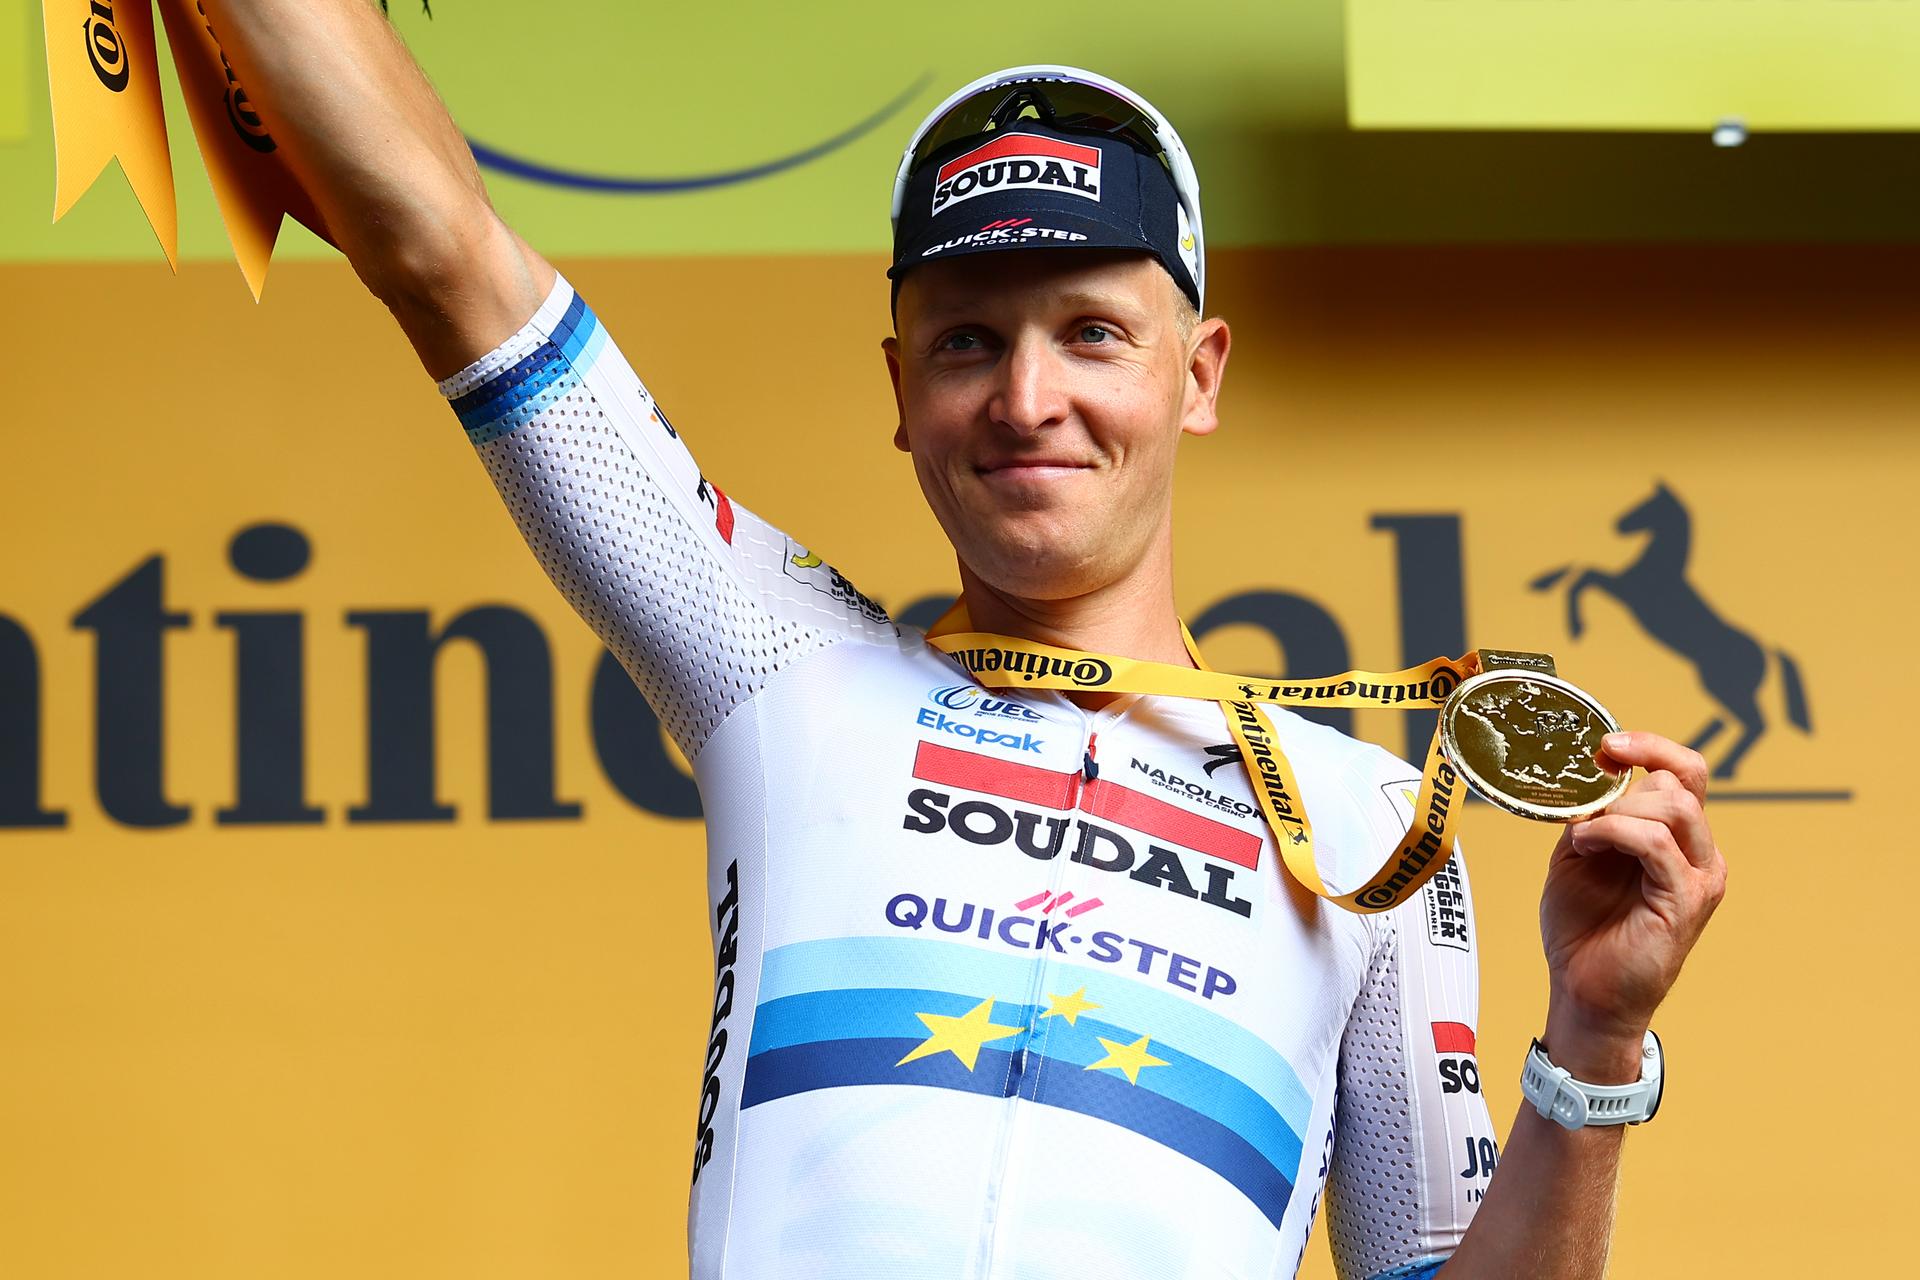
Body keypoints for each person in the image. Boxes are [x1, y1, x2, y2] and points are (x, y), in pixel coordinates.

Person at [208, 5, 1727, 1277]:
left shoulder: (1374, 829)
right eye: (966, 342)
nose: (1025, 399)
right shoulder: (775, 663)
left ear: (1198, 374)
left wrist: (1596, 1041)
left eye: (1090, 332)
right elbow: (448, 253)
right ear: (900, 390)